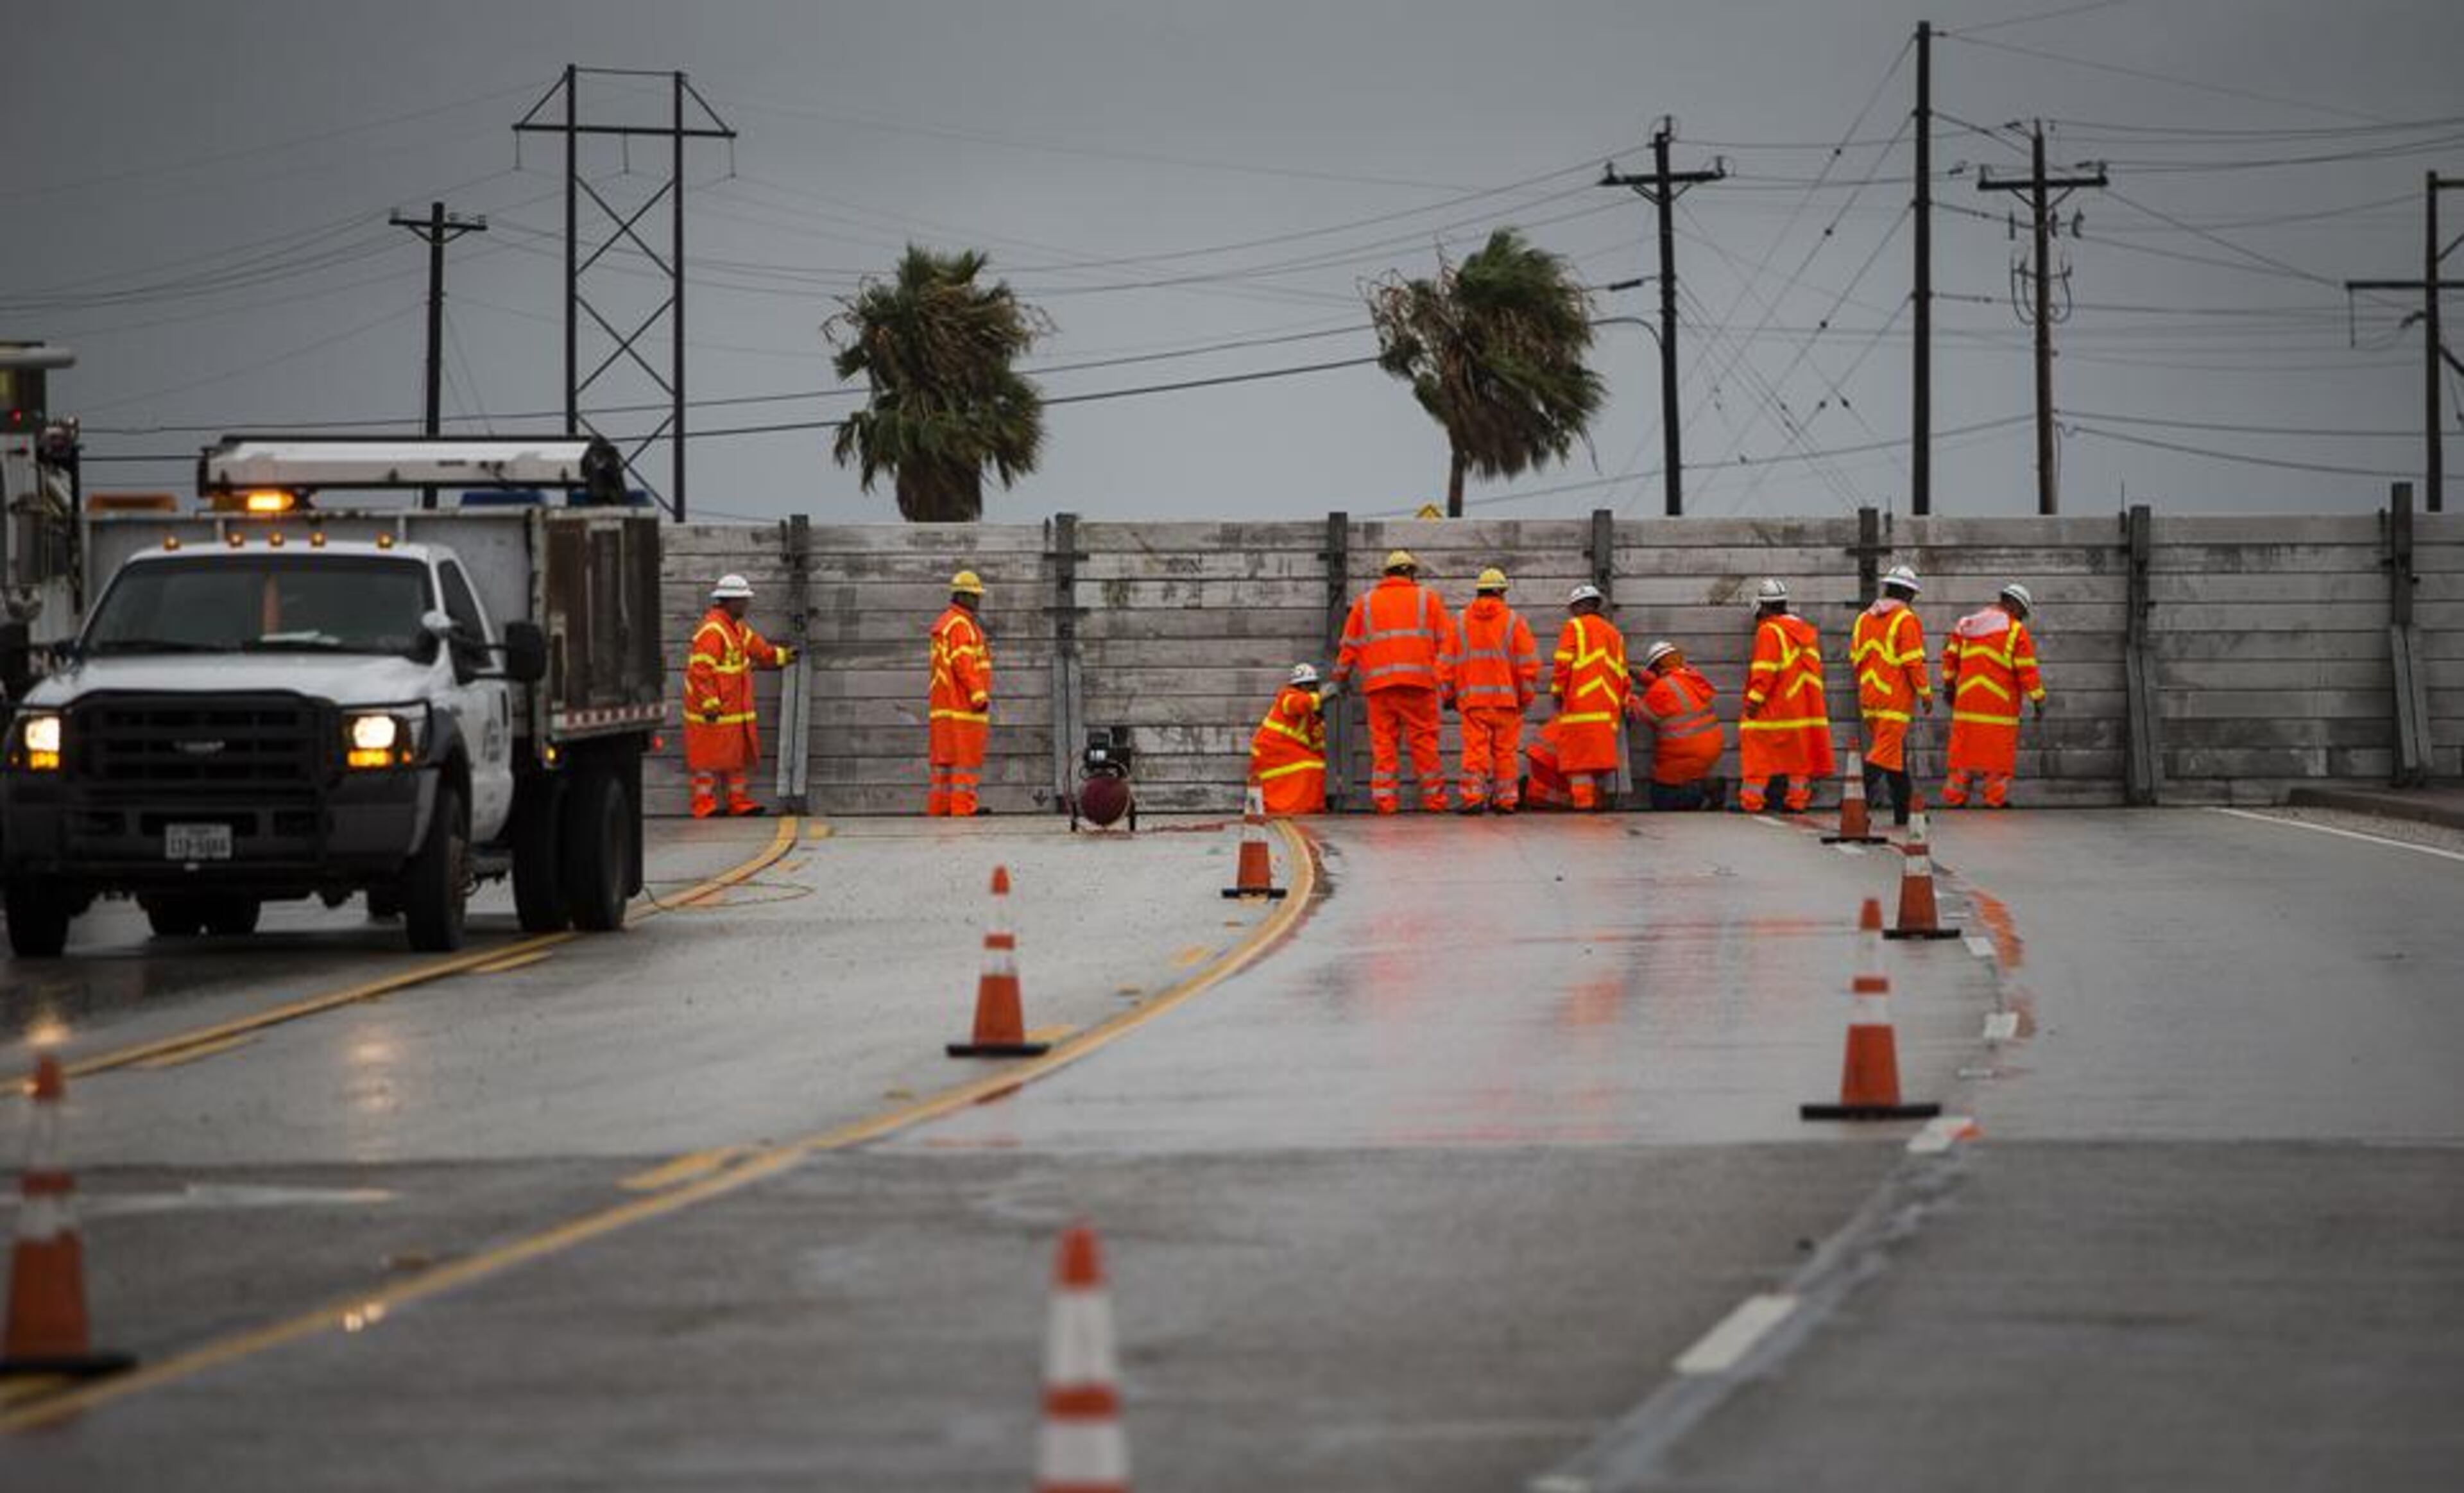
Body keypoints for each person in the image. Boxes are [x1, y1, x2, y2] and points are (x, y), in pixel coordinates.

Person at [1332, 549, 1457, 813]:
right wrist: (1444, 683)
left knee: (1384, 746)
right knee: (1424, 745)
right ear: (1411, 573)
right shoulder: (1429, 600)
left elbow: (1349, 647)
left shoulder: (1365, 603)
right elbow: (1447, 645)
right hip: (1420, 685)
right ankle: (1435, 802)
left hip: (1380, 689)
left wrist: (1340, 677)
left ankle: (1386, 803)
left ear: (1386, 574)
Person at [683, 573, 794, 819]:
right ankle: (704, 805)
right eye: (742, 599)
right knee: (707, 761)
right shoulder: (713, 630)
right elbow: (700, 671)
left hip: (732, 712)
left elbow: (760, 650)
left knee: (736, 759)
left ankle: (738, 802)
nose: (746, 604)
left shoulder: (736, 629)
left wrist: (784, 656)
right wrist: (709, 703)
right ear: (728, 601)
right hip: (712, 713)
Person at [1941, 582, 2048, 809]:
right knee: (1997, 757)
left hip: (1967, 705)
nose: (2022, 619)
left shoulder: (1966, 624)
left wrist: (1949, 687)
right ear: (2014, 605)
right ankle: (1993, 799)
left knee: (1963, 754)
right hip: (1999, 708)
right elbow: (2027, 669)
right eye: (2022, 613)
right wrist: (2038, 699)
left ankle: (1955, 798)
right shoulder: (2014, 630)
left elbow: (1950, 658)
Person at [1738, 577, 1835, 813]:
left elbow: (1765, 671)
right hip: (1802, 711)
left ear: (1763, 606)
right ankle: (1797, 801)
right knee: (1798, 761)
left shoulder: (1769, 632)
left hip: (1774, 709)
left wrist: (1753, 702)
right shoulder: (1806, 632)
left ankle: (1752, 802)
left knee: (1756, 753)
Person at [1451, 567, 1541, 813]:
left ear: (1478, 591)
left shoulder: (1460, 621)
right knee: (1505, 753)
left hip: (1473, 701)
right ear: (1501, 592)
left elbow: (1446, 662)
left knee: (1474, 751)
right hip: (1506, 701)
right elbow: (1528, 667)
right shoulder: (1514, 621)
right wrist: (1525, 698)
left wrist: (1448, 695)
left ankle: (1473, 799)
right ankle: (1505, 801)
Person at [1850, 564, 1933, 827]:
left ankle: (1904, 813)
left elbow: (1856, 659)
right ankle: (1849, 806)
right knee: (1882, 756)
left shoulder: (1864, 618)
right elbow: (1913, 662)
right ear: (1908, 593)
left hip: (1870, 699)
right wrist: (1925, 693)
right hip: (1894, 701)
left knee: (1895, 758)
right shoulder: (1905, 619)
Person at [1550, 583, 1630, 811]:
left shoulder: (1574, 627)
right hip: (1609, 710)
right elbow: (1623, 674)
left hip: (1581, 705)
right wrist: (1625, 701)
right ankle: (1599, 801)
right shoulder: (1615, 634)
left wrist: (1557, 691)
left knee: (1579, 761)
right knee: (1600, 759)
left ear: (1578, 606)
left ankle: (1584, 804)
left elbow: (1563, 662)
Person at [927, 569, 994, 816]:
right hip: (963, 708)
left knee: (945, 765)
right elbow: (964, 665)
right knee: (965, 762)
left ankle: (941, 809)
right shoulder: (960, 625)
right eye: (975, 596)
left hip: (945, 709)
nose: (978, 601)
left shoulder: (947, 623)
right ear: (963, 596)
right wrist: (979, 696)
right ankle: (962, 808)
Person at [1631, 640, 1725, 811]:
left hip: (1685, 750)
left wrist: (1628, 697)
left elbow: (1639, 713)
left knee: (1662, 790)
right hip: (1711, 745)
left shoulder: (1661, 688)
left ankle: (1701, 792)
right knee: (1688, 775)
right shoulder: (1690, 676)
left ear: (1657, 666)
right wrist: (1641, 677)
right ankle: (1706, 786)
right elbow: (1669, 688)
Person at [1249, 662, 1331, 814]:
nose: (1310, 689)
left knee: (1318, 766)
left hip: (1283, 750)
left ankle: (1307, 807)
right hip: (1271, 749)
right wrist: (1320, 697)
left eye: (1313, 686)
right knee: (1310, 766)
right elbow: (1298, 704)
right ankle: (1298, 807)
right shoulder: (1288, 695)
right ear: (1297, 686)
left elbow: (1316, 742)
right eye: (1307, 685)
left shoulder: (1311, 714)